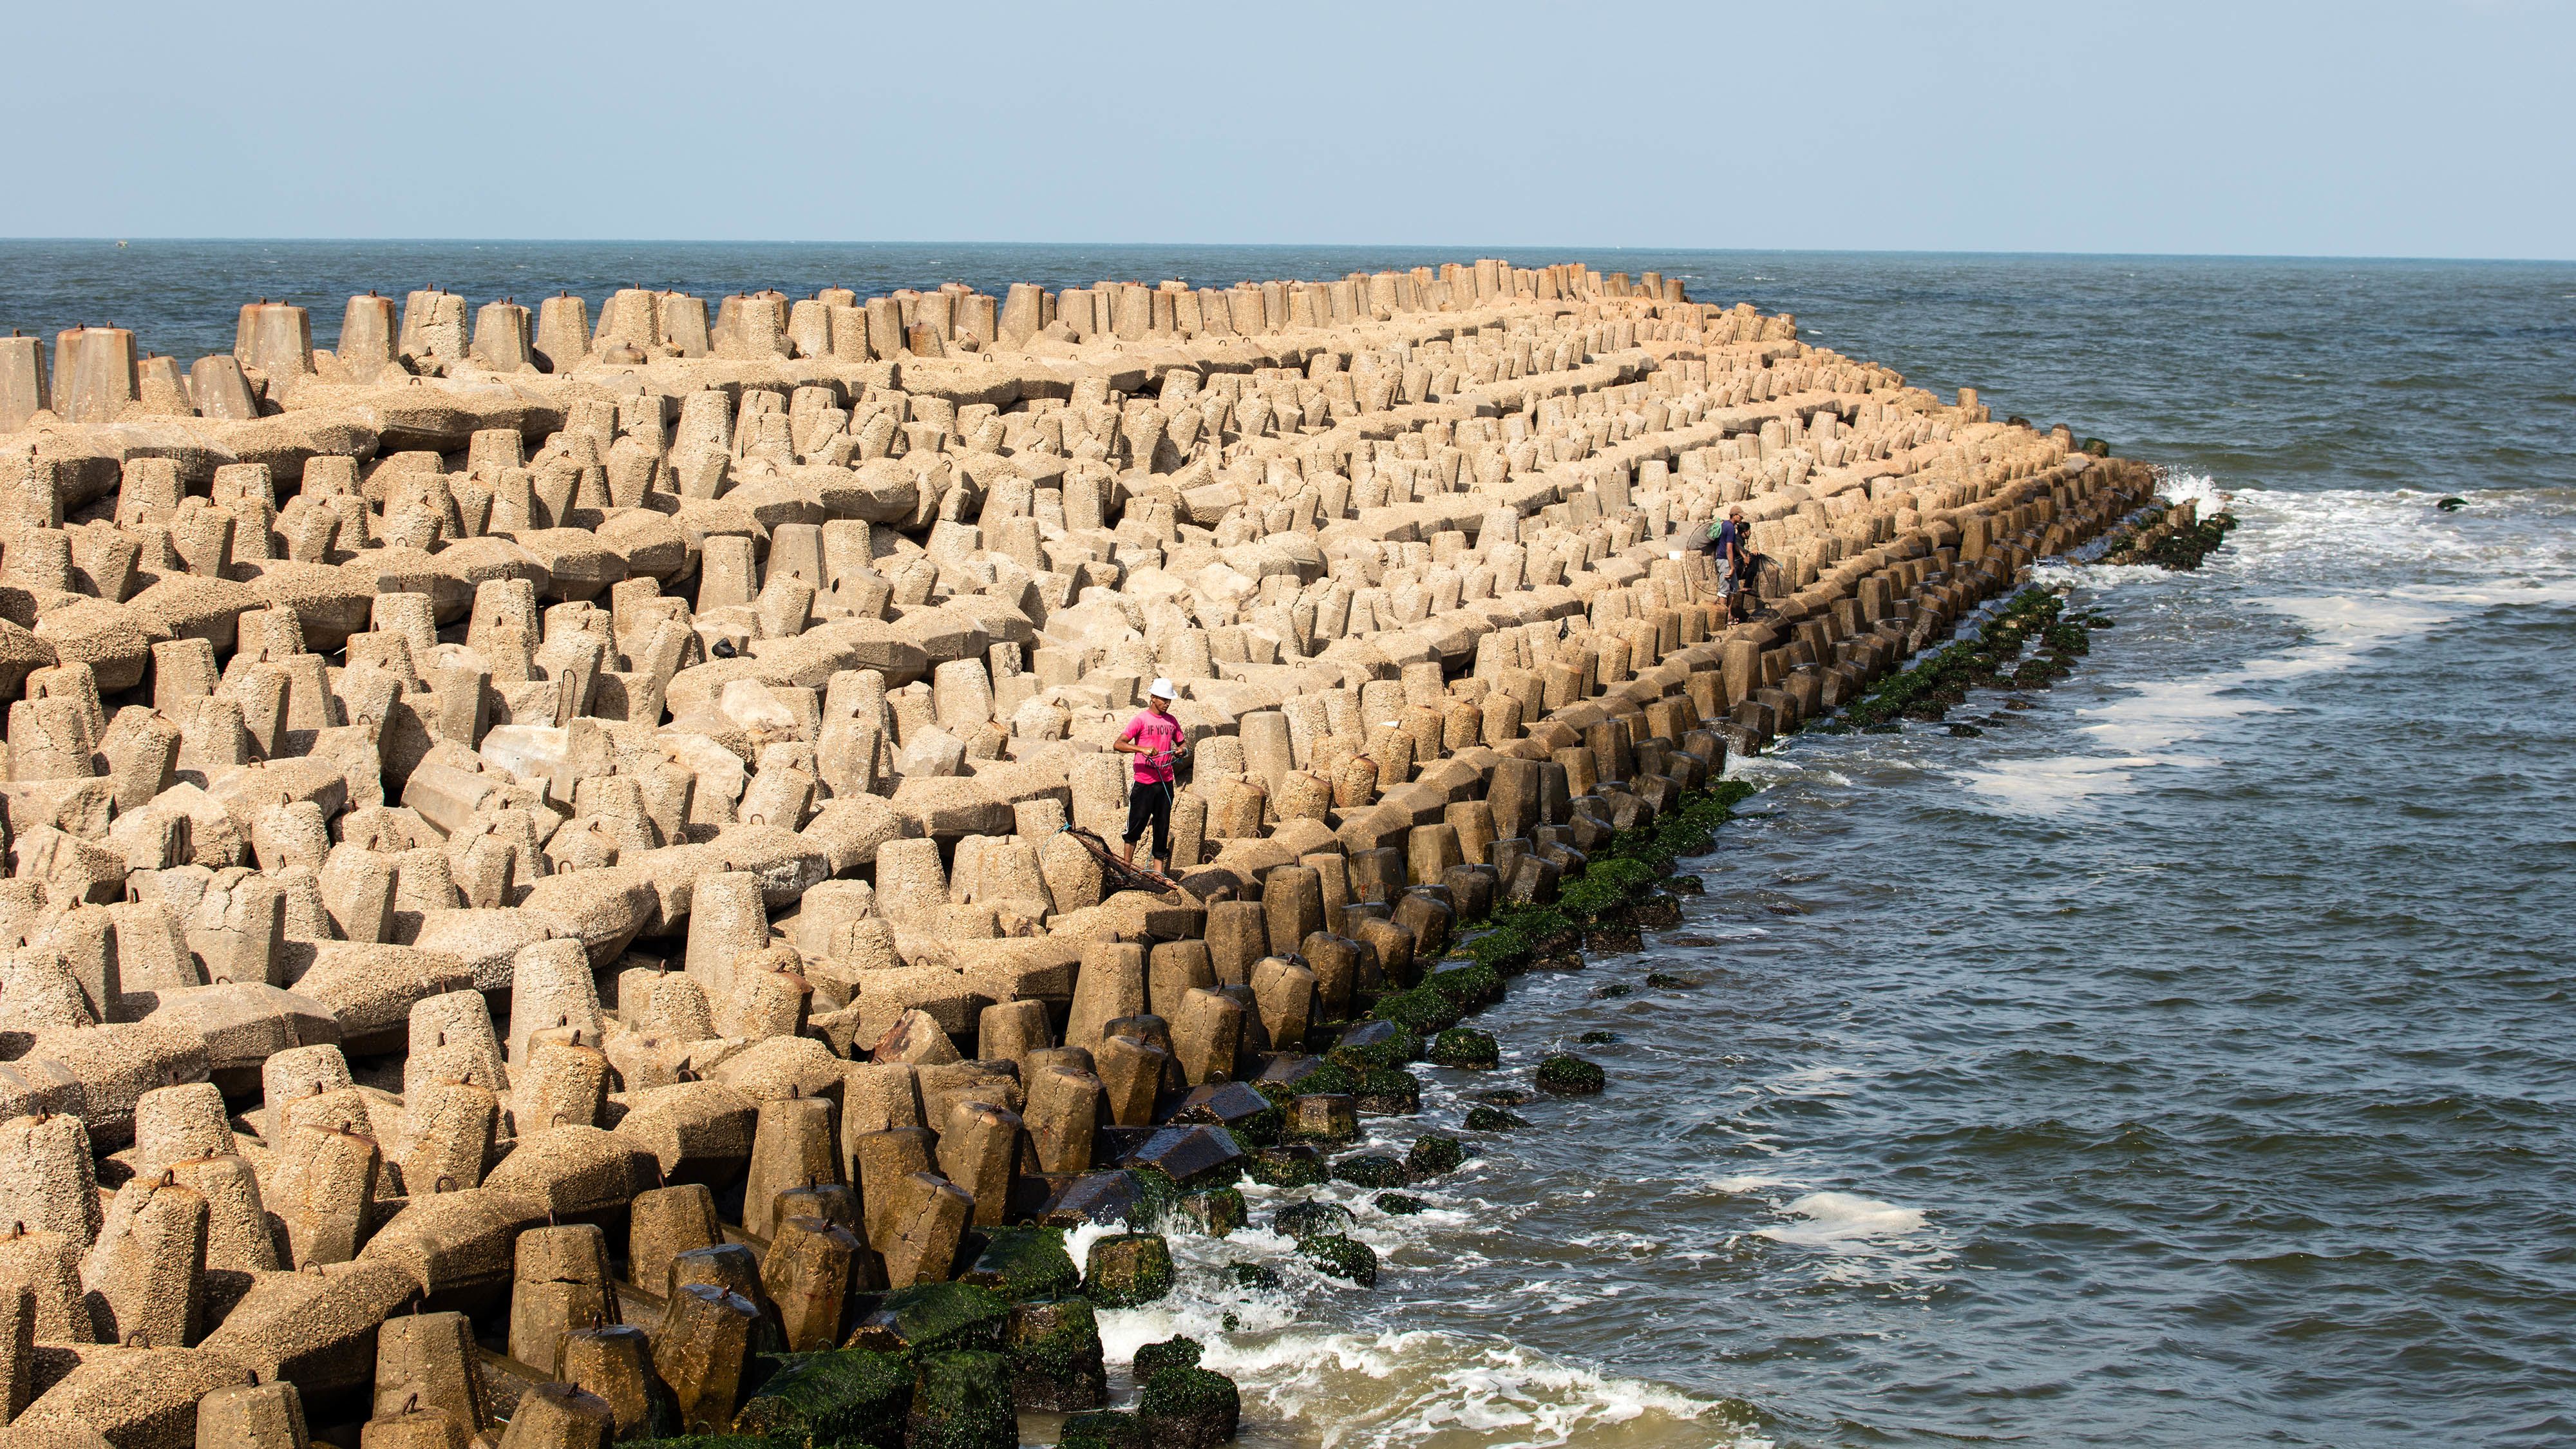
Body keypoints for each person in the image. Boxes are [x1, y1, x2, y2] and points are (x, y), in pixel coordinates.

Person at [1114, 677, 1186, 872]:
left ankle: (1158, 873)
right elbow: (1119, 744)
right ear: (1153, 698)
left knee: (1162, 827)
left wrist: (1182, 751)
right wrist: (1142, 749)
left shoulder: (1172, 722)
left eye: (1169, 700)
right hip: (1144, 783)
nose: (1167, 703)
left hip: (1165, 782)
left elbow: (1183, 744)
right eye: (1164, 699)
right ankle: (1126, 868)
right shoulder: (1141, 720)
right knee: (1135, 826)